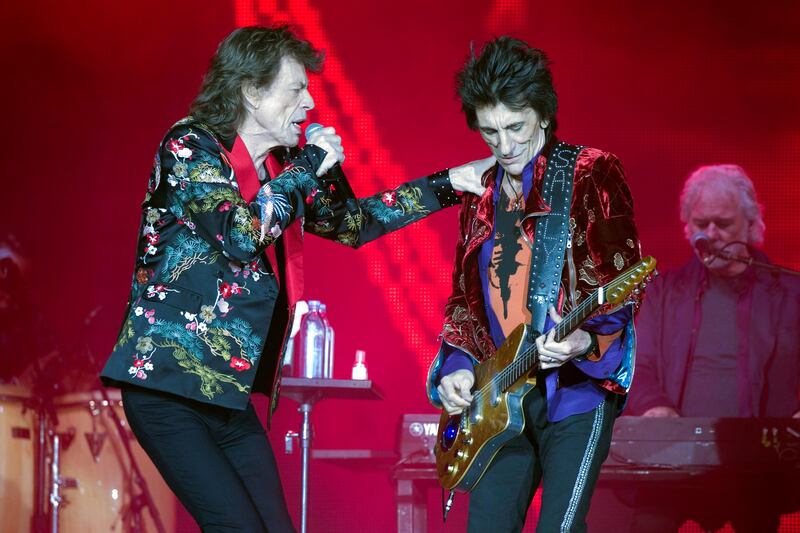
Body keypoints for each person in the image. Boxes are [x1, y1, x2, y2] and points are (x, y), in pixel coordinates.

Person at [99, 25, 492, 532]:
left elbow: (354, 224)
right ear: (251, 91)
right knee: (237, 526)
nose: (309, 103)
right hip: (167, 388)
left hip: (226, 394)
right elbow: (240, 234)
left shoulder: (281, 168)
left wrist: (450, 183)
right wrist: (309, 164)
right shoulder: (190, 146)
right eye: (297, 89)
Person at [426, 37, 642, 532]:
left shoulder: (590, 172)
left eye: (516, 128)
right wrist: (457, 367)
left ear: (543, 115)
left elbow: (621, 285)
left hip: (576, 393)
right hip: (499, 399)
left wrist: (584, 340)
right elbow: (466, 301)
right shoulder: (478, 196)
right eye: (490, 133)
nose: (504, 147)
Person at [628, 164, 800, 532]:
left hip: (757, 463)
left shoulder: (788, 294)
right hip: (673, 458)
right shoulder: (664, 292)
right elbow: (638, 367)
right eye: (701, 224)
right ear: (688, 227)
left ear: (751, 225)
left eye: (722, 224)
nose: (711, 235)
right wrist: (654, 406)